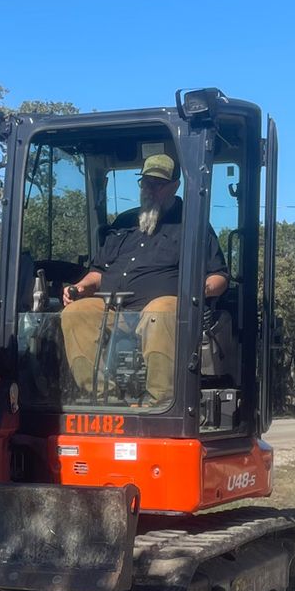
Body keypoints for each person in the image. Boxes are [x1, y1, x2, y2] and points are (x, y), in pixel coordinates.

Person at [58, 154, 229, 408]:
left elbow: (219, 277)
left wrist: (198, 290)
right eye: (145, 183)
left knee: (159, 312)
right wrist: (81, 287)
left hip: (164, 312)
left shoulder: (192, 225)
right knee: (75, 313)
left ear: (174, 186)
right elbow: (99, 272)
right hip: (114, 310)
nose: (149, 189)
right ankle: (107, 400)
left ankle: (160, 403)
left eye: (157, 184)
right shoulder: (124, 224)